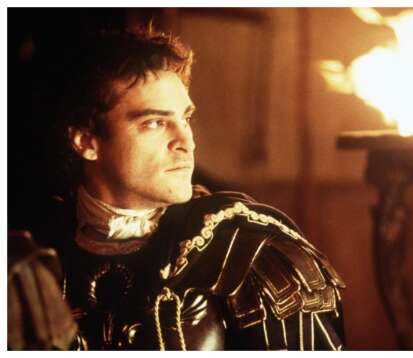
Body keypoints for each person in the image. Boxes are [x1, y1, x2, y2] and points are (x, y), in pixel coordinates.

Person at [7, 27, 345, 350]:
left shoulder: (249, 252)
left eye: (185, 118)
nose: (186, 142)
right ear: (85, 141)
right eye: (154, 123)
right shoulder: (31, 254)